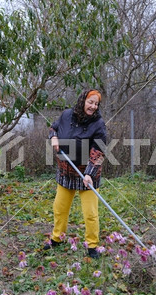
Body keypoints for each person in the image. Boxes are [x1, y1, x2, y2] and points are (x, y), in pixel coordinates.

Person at [44, 89, 107, 259]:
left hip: (87, 174)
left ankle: (92, 245)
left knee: (91, 213)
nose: (93, 106)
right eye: (90, 102)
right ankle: (57, 238)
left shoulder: (98, 124)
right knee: (60, 208)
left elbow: (99, 151)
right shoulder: (66, 115)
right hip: (66, 171)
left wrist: (89, 174)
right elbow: (53, 128)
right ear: (82, 101)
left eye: (96, 104)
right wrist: (53, 137)